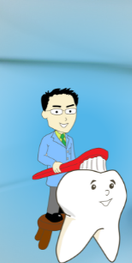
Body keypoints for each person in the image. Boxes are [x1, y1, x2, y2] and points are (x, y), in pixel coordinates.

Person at [36, 88, 81, 247]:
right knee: (54, 196)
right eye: (56, 111)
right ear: (45, 114)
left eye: (70, 110)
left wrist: (76, 168)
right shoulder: (47, 140)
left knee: (66, 195)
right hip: (55, 176)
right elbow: (41, 156)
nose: (64, 117)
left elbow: (72, 156)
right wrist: (53, 163)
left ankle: (64, 211)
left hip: (68, 176)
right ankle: (52, 214)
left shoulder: (69, 140)